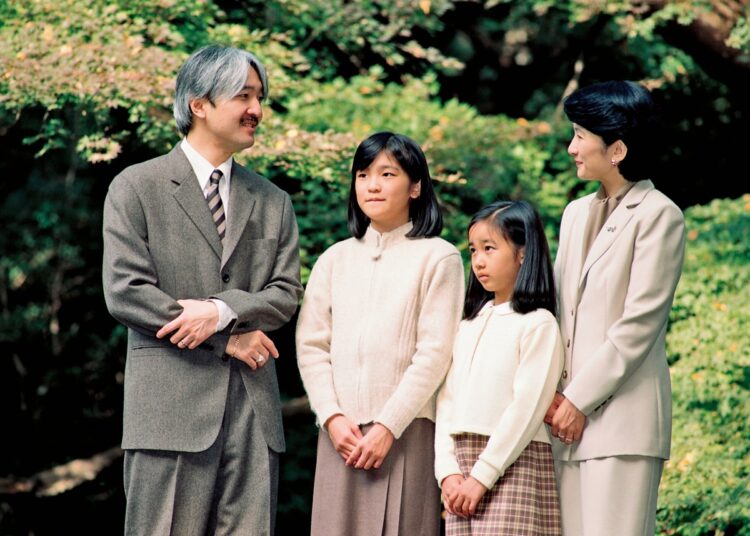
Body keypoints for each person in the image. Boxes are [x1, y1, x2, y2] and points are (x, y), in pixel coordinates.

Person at [102, 45, 302, 535]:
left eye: (260, 97)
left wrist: (220, 310)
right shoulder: (136, 186)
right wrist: (228, 337)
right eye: (243, 96)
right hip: (168, 409)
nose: (256, 109)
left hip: (253, 413)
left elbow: (285, 293)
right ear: (199, 104)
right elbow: (125, 290)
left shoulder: (273, 200)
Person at [295, 131, 464, 536]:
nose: (372, 185)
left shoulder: (439, 257)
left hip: (406, 430)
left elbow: (435, 353)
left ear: (416, 186)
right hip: (341, 436)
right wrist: (332, 417)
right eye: (363, 174)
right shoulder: (333, 259)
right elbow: (312, 345)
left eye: (387, 174)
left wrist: (388, 425)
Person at [545, 80, 686, 535]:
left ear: (618, 149)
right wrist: (554, 396)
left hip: (623, 423)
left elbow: (638, 325)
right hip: (564, 425)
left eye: (580, 136)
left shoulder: (659, 214)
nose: (572, 148)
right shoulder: (574, 214)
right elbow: (559, 311)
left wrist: (577, 399)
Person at [435, 200, 564, 535]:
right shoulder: (468, 324)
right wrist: (447, 472)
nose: (478, 260)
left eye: (489, 248)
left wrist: (483, 475)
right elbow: (446, 401)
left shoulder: (538, 324)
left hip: (513, 461)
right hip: (462, 466)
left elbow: (527, 408)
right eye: (474, 249)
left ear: (522, 253)